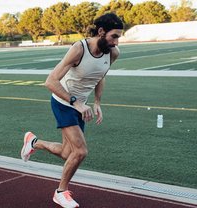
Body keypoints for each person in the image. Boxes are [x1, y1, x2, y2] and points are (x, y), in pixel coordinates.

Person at [21, 13, 124, 207]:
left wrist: (97, 103)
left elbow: (100, 76)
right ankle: (60, 192)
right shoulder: (79, 48)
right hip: (63, 102)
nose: (116, 41)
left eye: (119, 37)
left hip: (81, 106)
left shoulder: (113, 53)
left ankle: (34, 142)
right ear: (101, 32)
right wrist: (76, 102)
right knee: (81, 151)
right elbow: (50, 81)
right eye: (114, 36)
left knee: (69, 153)